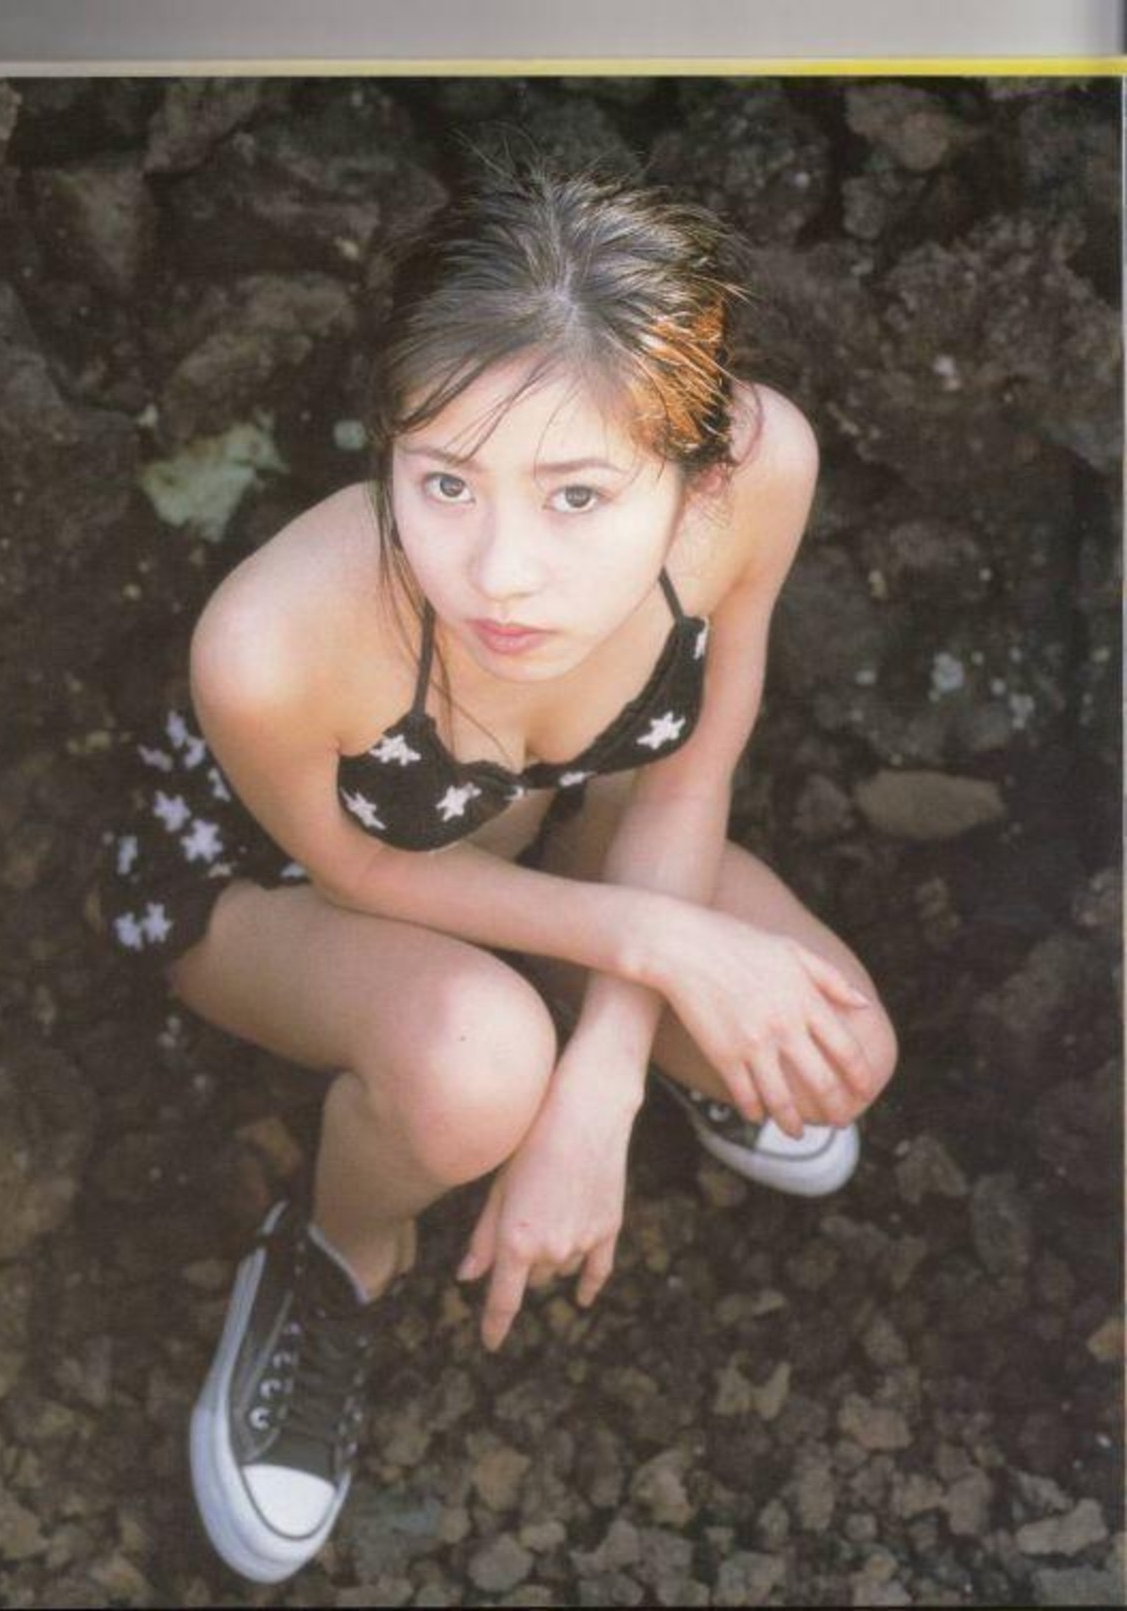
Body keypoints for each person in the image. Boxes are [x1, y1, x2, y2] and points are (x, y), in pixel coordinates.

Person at [94, 152, 899, 1585]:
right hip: (284, 889)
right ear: (389, 443)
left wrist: (606, 1079)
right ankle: (335, 1253)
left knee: (839, 1055)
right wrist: (659, 951)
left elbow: (688, 772)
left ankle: (587, 1025)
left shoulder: (763, 473)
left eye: (578, 496)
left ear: (697, 474)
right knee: (479, 1069)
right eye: (446, 481)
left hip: (557, 823)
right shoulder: (271, 645)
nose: (501, 573)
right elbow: (360, 870)